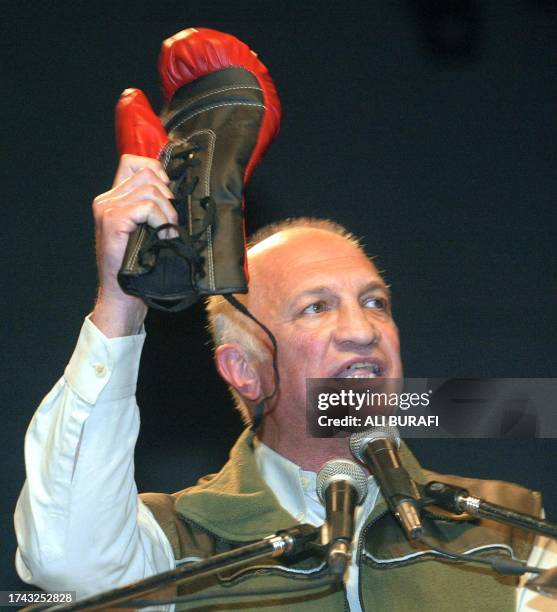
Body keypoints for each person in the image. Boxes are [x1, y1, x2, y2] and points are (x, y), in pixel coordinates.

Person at [14, 155, 557, 611]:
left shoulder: (508, 527)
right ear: (244, 370)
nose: (362, 330)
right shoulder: (177, 544)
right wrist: (120, 303)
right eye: (317, 308)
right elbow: (67, 559)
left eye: (375, 302)